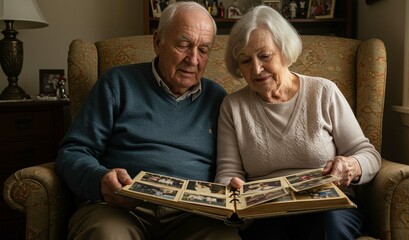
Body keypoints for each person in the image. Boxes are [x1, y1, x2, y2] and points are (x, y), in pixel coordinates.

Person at [55, 2, 240, 239]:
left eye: (203, 50)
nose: (193, 59)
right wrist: (99, 180)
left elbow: (231, 164)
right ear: (158, 42)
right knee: (107, 234)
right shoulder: (117, 83)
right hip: (121, 208)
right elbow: (73, 151)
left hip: (192, 213)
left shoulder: (218, 98)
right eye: (183, 45)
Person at [215, 5, 381, 240]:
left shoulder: (323, 92)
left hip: (327, 207)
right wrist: (231, 189)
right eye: (245, 61)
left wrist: (351, 165)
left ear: (284, 50)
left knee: (326, 225)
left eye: (264, 56)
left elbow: (369, 154)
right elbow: (227, 171)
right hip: (266, 211)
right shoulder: (233, 106)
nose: (256, 69)